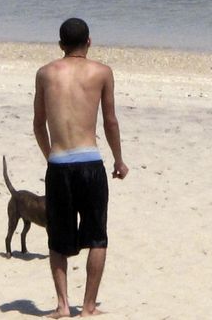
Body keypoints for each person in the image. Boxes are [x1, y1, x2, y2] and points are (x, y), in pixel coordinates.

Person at [33, 18, 129, 318]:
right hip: (90, 163)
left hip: (59, 165)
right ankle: (88, 307)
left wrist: (51, 156)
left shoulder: (46, 73)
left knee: (58, 239)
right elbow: (110, 121)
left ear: (60, 45)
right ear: (89, 41)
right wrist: (118, 160)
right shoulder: (102, 72)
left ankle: (63, 306)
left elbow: (38, 123)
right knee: (97, 236)